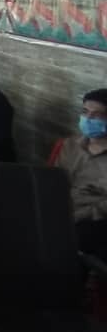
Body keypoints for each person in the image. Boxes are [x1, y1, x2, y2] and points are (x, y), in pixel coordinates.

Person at [56, 90, 107, 259]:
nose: (88, 119)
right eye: (85, 112)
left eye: (97, 115)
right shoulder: (71, 145)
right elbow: (54, 179)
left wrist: (77, 215)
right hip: (60, 208)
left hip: (92, 220)